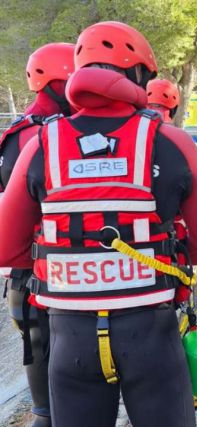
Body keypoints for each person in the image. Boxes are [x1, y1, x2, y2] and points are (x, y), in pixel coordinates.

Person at [0, 21, 197, 427]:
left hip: (69, 337)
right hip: (151, 332)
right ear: (138, 73)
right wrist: (156, 258)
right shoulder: (172, 141)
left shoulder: (41, 143)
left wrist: (67, 259)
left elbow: (6, 247)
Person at [0, 41, 74, 427]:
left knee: (50, 399)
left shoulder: (21, 131)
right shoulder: (41, 135)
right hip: (43, 277)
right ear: (56, 82)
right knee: (53, 405)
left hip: (29, 277)